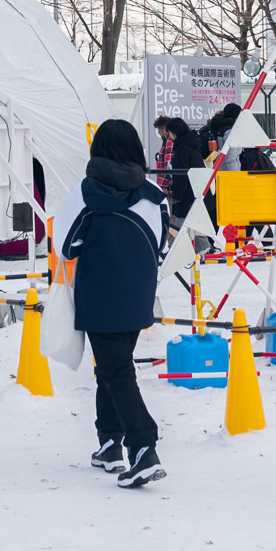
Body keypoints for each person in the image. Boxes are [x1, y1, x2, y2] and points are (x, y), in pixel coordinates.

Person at [65, 118, 170, 488]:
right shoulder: (155, 193)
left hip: (99, 293)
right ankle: (109, 443)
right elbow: (161, 245)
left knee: (114, 370)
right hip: (139, 292)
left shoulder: (85, 193)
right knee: (113, 366)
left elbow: (66, 245)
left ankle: (143, 447)